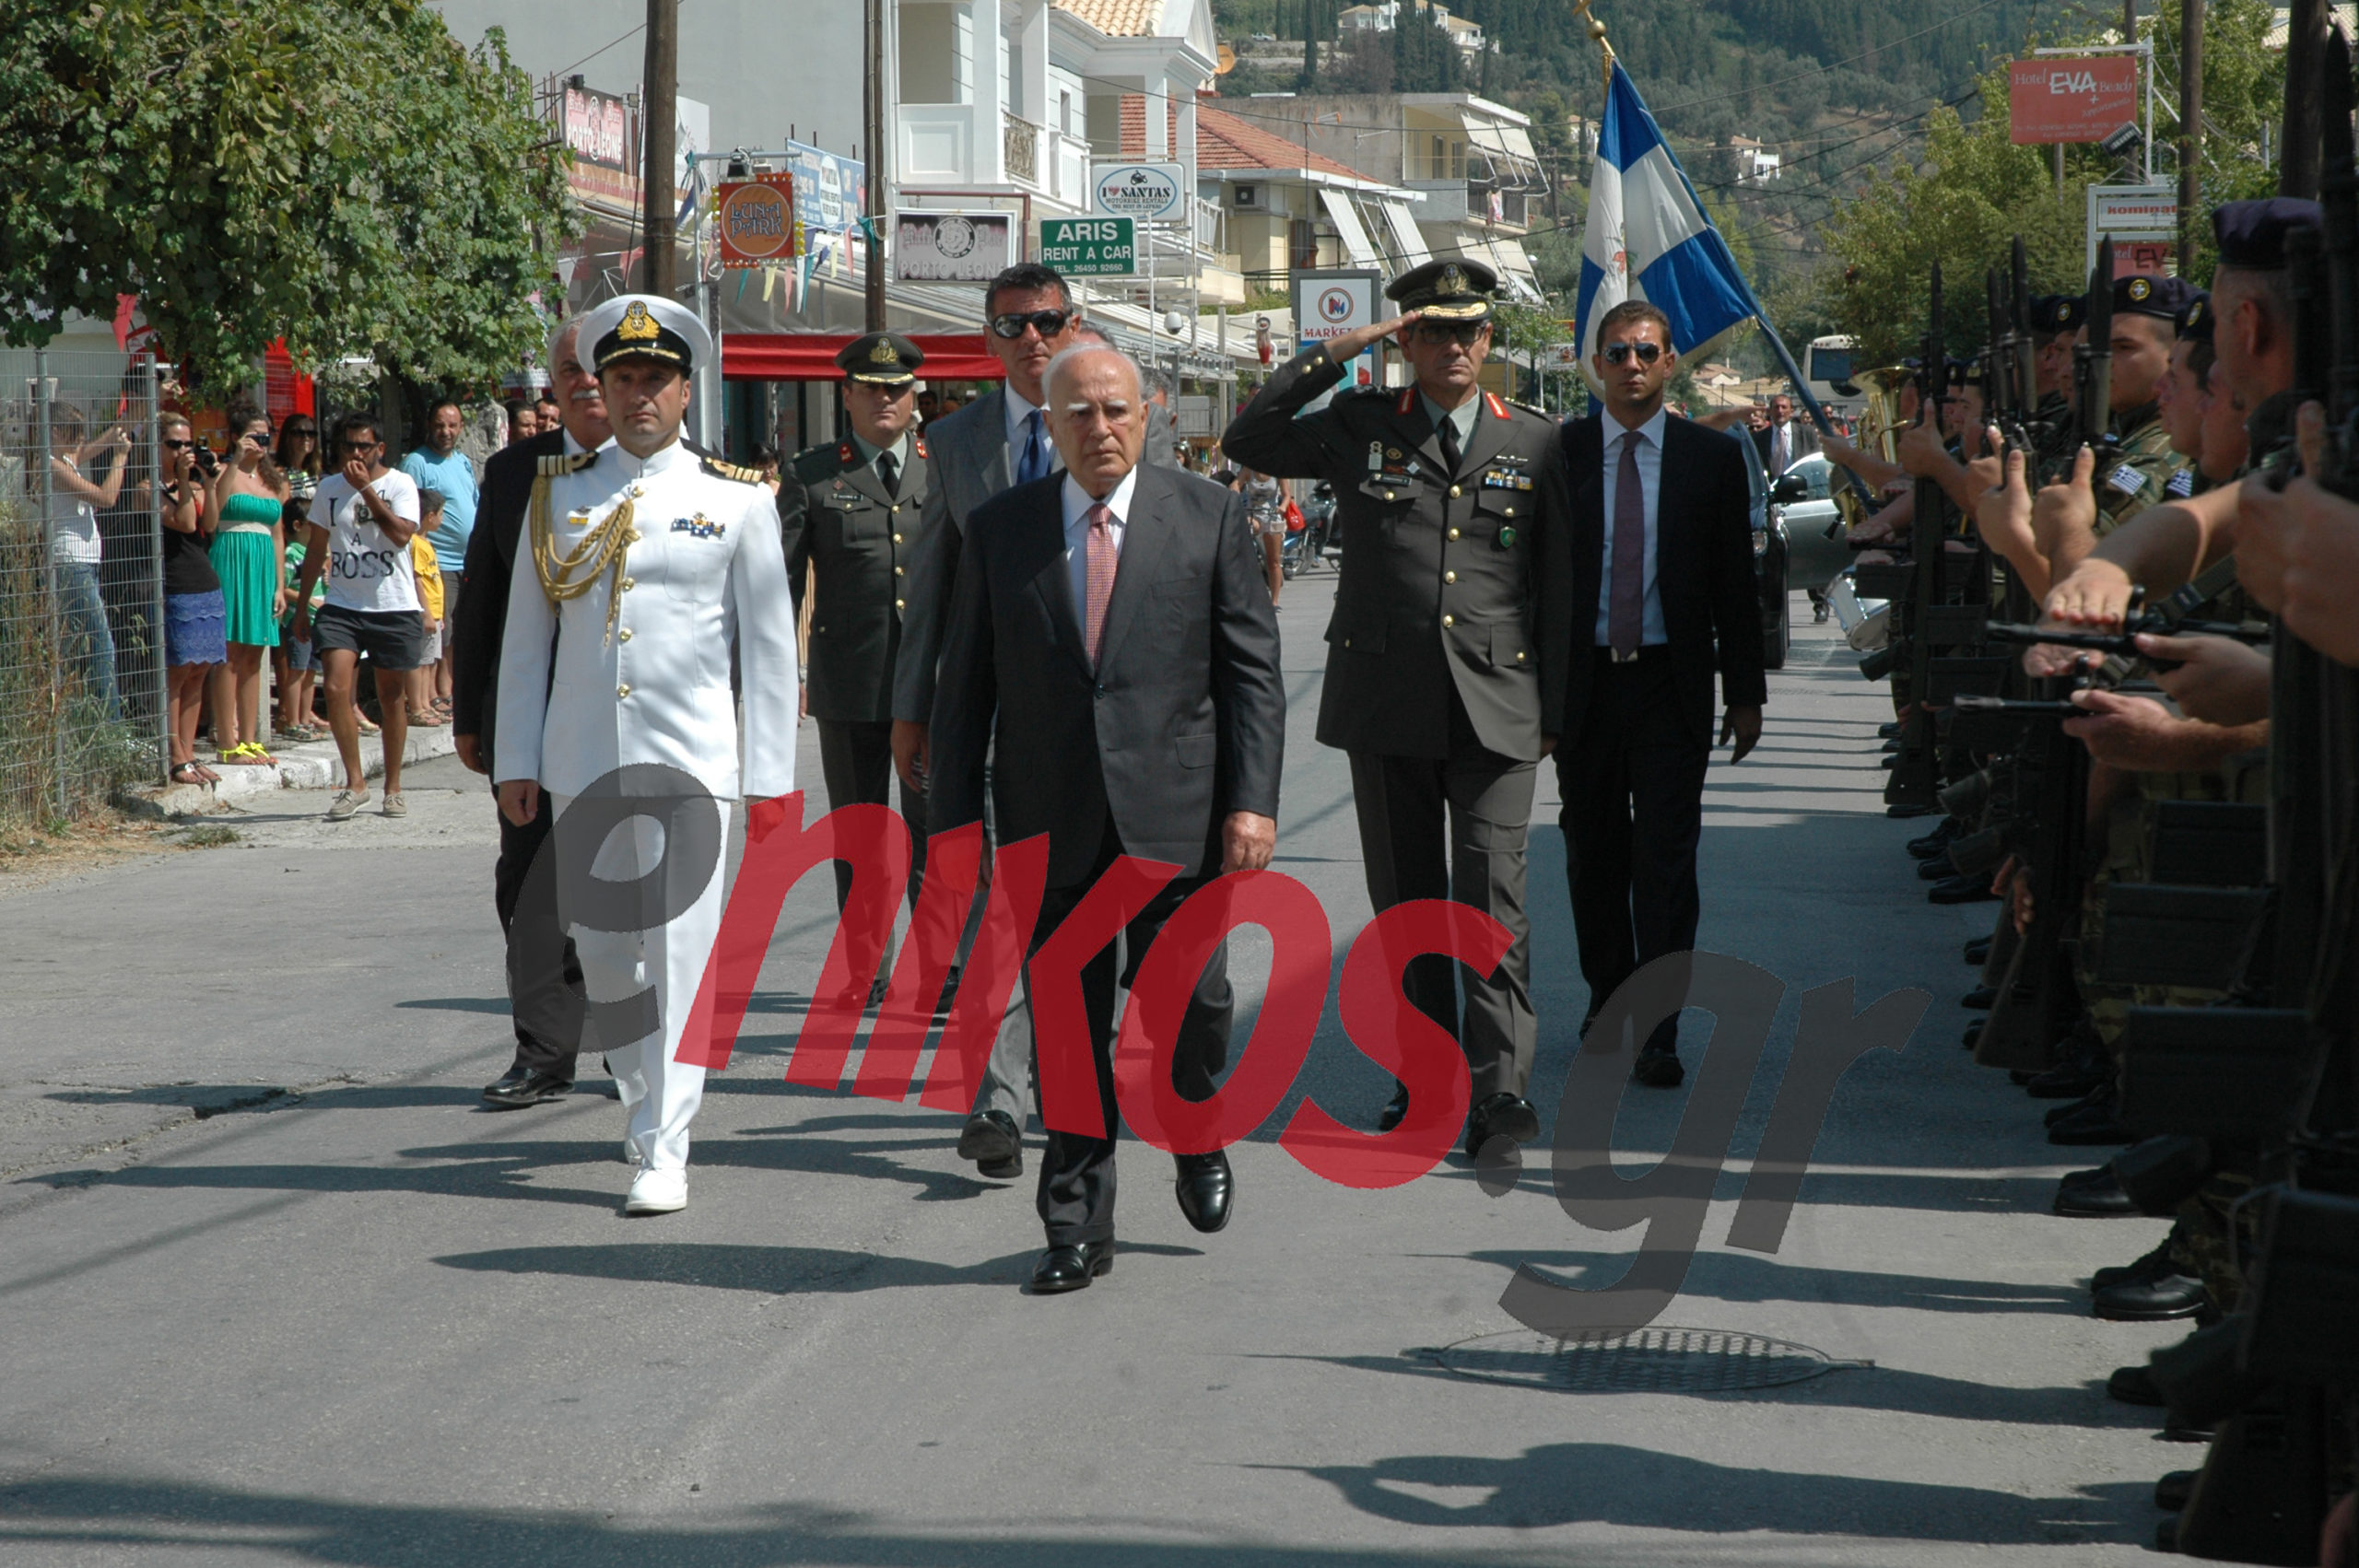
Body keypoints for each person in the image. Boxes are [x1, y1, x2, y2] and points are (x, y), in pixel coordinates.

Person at [928, 340, 1284, 1293]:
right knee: (1069, 1032)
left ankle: (1196, 1130)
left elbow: (1252, 675)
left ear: (1149, 413)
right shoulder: (1003, 530)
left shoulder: (1206, 517)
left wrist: (1253, 802)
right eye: (1078, 413)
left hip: (1179, 819)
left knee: (1191, 1010)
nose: (1100, 428)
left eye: (1116, 409)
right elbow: (964, 685)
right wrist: (955, 821)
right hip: (1052, 826)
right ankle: (1075, 1225)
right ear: (1048, 424)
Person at [1221, 257, 1560, 1155]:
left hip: (1498, 701)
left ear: (1489, 339)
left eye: (1469, 330)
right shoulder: (1356, 424)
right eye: (1434, 330)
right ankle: (1427, 1083)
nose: (1455, 345)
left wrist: (1557, 705)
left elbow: (1558, 585)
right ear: (1406, 339)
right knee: (1407, 905)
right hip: (1385, 700)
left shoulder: (1535, 440)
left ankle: (1500, 1093)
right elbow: (1248, 437)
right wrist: (1340, 350)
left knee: (1492, 899)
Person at [493, 294, 795, 1215]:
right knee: (611, 958)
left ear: (684, 388)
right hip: (583, 757)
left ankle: (668, 1146)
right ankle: (640, 1092)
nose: (636, 396)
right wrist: (515, 756)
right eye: (621, 378)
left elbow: (771, 645)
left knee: (680, 953)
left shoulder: (736, 498)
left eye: (653, 379)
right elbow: (525, 639)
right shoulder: (561, 493)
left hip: (691, 764)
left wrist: (771, 779)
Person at [889, 262, 1084, 1178]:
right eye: (1011, 326)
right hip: (999, 704)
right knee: (1005, 899)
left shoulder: (1114, 414)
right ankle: (1000, 1100)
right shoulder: (957, 440)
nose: (1031, 339)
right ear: (987, 340)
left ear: (1072, 324)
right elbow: (931, 582)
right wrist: (912, 708)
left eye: (1046, 321)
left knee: (1093, 912)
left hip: (1108, 709)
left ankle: (1080, 1071)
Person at [1542, 298, 1766, 1088]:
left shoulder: (1708, 461)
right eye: (1617, 352)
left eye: (1646, 351)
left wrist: (1746, 693)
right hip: (1586, 688)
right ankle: (1609, 1001)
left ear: (1670, 363)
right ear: (1596, 365)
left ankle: (1659, 1029)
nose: (1632, 365)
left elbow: (1738, 587)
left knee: (1667, 860)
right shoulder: (1559, 454)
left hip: (1672, 687)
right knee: (1592, 855)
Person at [452, 315, 609, 1111]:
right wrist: (471, 719)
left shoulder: (670, 473)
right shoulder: (515, 473)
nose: (584, 380)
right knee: (532, 884)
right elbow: (482, 593)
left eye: (596, 365)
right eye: (568, 368)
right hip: (531, 722)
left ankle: (637, 1041)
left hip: (627, 721)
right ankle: (546, 1051)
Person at [778, 332, 934, 1012]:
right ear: (846, 396)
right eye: (871, 389)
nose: (884, 400)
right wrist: (777, 670)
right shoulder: (812, 474)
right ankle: (867, 969)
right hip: (850, 682)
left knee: (936, 832)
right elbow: (779, 582)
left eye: (896, 389)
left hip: (929, 685)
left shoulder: (944, 466)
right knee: (863, 833)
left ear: (914, 398)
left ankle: (941, 969)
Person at [291, 414, 425, 821]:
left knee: (391, 698)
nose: (355, 453)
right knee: (334, 686)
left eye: (363, 446)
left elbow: (402, 535)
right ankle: (355, 783)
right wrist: (301, 609)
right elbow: (316, 548)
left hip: (393, 606)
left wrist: (366, 489)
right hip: (343, 605)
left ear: (379, 449)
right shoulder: (329, 488)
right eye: (348, 446)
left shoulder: (399, 484)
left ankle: (394, 786)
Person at [208, 404, 288, 765]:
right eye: (254, 435)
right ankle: (227, 740)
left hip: (261, 568)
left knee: (255, 653)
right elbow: (216, 509)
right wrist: (236, 460)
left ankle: (251, 739)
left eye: (265, 435)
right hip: (230, 557)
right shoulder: (225, 471)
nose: (261, 442)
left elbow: (278, 536)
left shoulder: (274, 481)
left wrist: (278, 585)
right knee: (229, 653)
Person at [43, 402, 130, 723]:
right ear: (54, 432)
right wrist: (120, 459)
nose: (81, 439)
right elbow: (106, 498)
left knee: (82, 648)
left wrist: (135, 411)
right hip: (71, 562)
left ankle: (84, 722)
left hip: (86, 562)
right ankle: (111, 729)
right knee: (101, 647)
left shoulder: (67, 458)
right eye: (74, 432)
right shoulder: (51, 464)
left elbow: (104, 440)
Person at [399, 397, 480, 723]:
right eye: (439, 425)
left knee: (456, 630)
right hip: (436, 561)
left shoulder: (461, 461)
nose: (446, 432)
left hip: (465, 560)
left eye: (452, 425)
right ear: (429, 427)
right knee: (437, 632)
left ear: (460, 427)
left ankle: (448, 690)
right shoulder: (417, 462)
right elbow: (406, 511)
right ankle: (434, 694)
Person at [157, 415, 223, 784]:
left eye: (187, 444)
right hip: (177, 583)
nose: (183, 451)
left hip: (205, 582)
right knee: (178, 672)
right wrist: (182, 481)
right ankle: (174, 755)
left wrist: (208, 485)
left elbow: (208, 525)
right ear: (158, 447)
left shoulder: (194, 485)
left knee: (199, 670)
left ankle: (191, 752)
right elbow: (183, 522)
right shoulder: (148, 485)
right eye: (174, 445)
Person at [272, 416, 325, 739]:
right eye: (299, 433)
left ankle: (304, 715)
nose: (306, 439)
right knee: (292, 661)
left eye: (311, 433)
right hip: (292, 557)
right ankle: (288, 716)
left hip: (315, 551)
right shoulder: (280, 474)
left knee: (308, 667)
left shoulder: (315, 474)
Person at [406, 491, 448, 728]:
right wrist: (426, 613)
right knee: (420, 661)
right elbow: (417, 579)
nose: (442, 519)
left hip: (435, 612)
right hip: (424, 612)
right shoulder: (415, 544)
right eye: (440, 514)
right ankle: (417, 706)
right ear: (429, 516)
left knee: (429, 660)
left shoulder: (426, 543)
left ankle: (425, 703)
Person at [1238, 464, 1287, 603]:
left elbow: (1286, 495)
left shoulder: (1278, 472)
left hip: (1271, 515)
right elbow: (1236, 483)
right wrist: (1235, 490)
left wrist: (1282, 506)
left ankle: (1274, 601)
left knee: (1274, 561)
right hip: (1253, 514)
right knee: (1248, 528)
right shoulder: (1248, 470)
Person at [1750, 392, 1819, 478]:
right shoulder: (1759, 437)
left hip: (1800, 487)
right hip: (1771, 488)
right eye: (1776, 407)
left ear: (1791, 412)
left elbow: (1816, 462)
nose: (1780, 411)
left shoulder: (1806, 433)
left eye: (1784, 407)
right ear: (1770, 412)